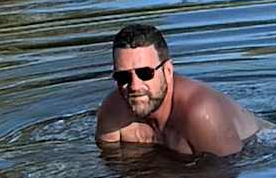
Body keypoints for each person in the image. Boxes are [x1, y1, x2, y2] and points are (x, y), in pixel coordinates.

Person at [94, 21, 251, 164]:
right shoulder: (112, 113)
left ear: (168, 71)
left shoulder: (200, 113)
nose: (134, 86)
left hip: (253, 146)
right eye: (123, 76)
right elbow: (113, 170)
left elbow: (228, 170)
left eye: (145, 74)